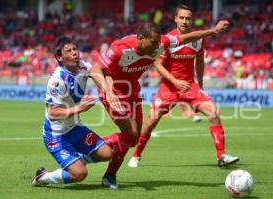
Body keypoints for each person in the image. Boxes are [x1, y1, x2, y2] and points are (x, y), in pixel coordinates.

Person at [90, 20, 229, 189]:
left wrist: (213, 30)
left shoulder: (161, 42)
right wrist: (108, 91)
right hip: (113, 89)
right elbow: (95, 70)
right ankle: (106, 172)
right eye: (154, 42)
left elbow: (189, 37)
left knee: (134, 138)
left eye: (159, 42)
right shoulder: (120, 47)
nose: (158, 46)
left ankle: (94, 152)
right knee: (130, 133)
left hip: (132, 88)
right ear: (141, 38)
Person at [128, 5, 239, 168]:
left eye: (188, 18)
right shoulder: (167, 40)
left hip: (190, 85)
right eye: (181, 17)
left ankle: (221, 156)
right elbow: (158, 66)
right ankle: (136, 155)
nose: (184, 21)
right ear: (175, 19)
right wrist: (175, 82)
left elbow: (199, 62)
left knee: (213, 112)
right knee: (151, 122)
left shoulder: (198, 39)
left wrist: (200, 86)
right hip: (168, 87)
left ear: (191, 20)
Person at [31, 37, 112, 187]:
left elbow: (96, 72)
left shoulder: (83, 66)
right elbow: (52, 113)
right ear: (59, 57)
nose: (74, 53)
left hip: (75, 128)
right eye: (69, 51)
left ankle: (76, 160)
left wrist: (107, 90)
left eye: (75, 49)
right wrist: (80, 108)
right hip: (56, 135)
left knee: (107, 153)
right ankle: (43, 177)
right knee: (80, 174)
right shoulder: (57, 80)